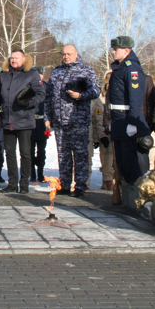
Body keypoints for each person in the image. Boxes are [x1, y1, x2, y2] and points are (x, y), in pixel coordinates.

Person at [45, 45, 100, 197]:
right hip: (60, 123)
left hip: (78, 121)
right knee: (63, 155)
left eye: (69, 54)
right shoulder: (57, 72)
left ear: (76, 54)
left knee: (80, 154)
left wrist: (80, 96)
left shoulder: (86, 70)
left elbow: (96, 90)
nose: (66, 57)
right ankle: (65, 184)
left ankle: (80, 185)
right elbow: (49, 96)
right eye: (63, 54)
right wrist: (47, 117)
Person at [0, 50, 45, 194]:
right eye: (11, 58)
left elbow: (41, 94)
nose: (13, 61)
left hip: (24, 120)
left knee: (25, 153)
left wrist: (29, 103)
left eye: (16, 58)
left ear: (24, 59)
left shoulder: (32, 74)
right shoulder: (3, 75)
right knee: (9, 153)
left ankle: (24, 183)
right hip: (7, 120)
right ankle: (12, 183)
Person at [108, 36, 151, 185]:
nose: (113, 52)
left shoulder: (131, 67)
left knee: (130, 162)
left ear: (126, 50)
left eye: (116, 49)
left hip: (126, 119)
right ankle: (129, 198)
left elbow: (135, 98)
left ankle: (138, 197)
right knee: (122, 162)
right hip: (118, 119)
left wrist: (132, 122)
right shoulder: (120, 67)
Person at [91, 70, 114, 190]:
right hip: (105, 131)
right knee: (106, 157)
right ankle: (107, 180)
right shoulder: (100, 98)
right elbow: (98, 118)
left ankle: (113, 180)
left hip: (117, 130)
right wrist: (101, 135)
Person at [30, 67, 48, 183]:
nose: (39, 77)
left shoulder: (47, 87)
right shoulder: (29, 87)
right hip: (31, 122)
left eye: (41, 74)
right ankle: (32, 174)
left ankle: (40, 174)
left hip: (42, 122)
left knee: (41, 151)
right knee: (29, 150)